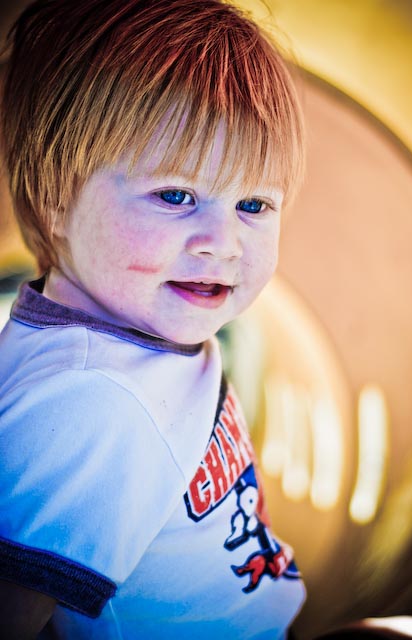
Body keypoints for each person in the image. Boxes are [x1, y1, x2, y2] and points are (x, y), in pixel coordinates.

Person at [0, 0, 306, 638]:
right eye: (175, 195)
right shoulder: (92, 402)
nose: (223, 243)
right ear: (57, 201)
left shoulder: (134, 345)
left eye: (254, 204)